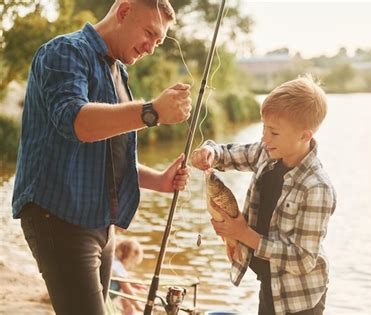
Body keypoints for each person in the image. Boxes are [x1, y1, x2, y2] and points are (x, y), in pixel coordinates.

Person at [12, 0, 191, 314]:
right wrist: (152, 112)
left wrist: (158, 181)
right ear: (123, 12)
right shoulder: (65, 52)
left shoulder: (118, 70)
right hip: (58, 219)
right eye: (149, 33)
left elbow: (106, 156)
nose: (151, 48)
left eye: (159, 41)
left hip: (100, 225)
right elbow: (77, 122)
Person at [191, 74, 336, 315]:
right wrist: (209, 153)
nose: (265, 139)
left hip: (299, 299)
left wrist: (243, 234)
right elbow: (227, 155)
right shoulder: (268, 151)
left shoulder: (317, 188)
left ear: (305, 135)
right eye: (264, 129)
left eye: (274, 133)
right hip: (270, 283)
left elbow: (303, 259)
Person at [110, 239, 146, 315]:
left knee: (125, 300)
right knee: (128, 301)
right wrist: (140, 307)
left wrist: (133, 284)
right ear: (129, 257)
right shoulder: (118, 266)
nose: (132, 266)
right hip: (105, 300)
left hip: (104, 296)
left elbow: (124, 280)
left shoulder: (113, 261)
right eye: (133, 263)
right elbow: (127, 290)